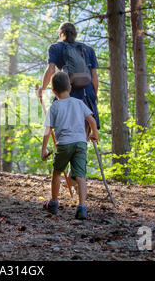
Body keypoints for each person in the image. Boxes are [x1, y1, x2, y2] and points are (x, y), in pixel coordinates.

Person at [41, 72, 99, 219]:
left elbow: (48, 130)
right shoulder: (79, 103)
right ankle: (82, 207)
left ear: (54, 92)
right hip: (80, 143)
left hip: (64, 144)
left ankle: (54, 203)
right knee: (80, 176)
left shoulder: (54, 107)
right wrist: (94, 134)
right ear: (70, 88)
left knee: (57, 172)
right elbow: (91, 120)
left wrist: (43, 149)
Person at [37, 22, 100, 130]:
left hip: (66, 95)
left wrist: (42, 89)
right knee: (83, 136)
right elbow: (94, 76)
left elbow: (51, 69)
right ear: (75, 34)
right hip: (87, 96)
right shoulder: (88, 50)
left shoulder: (55, 48)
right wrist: (93, 96)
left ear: (61, 34)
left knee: (63, 132)